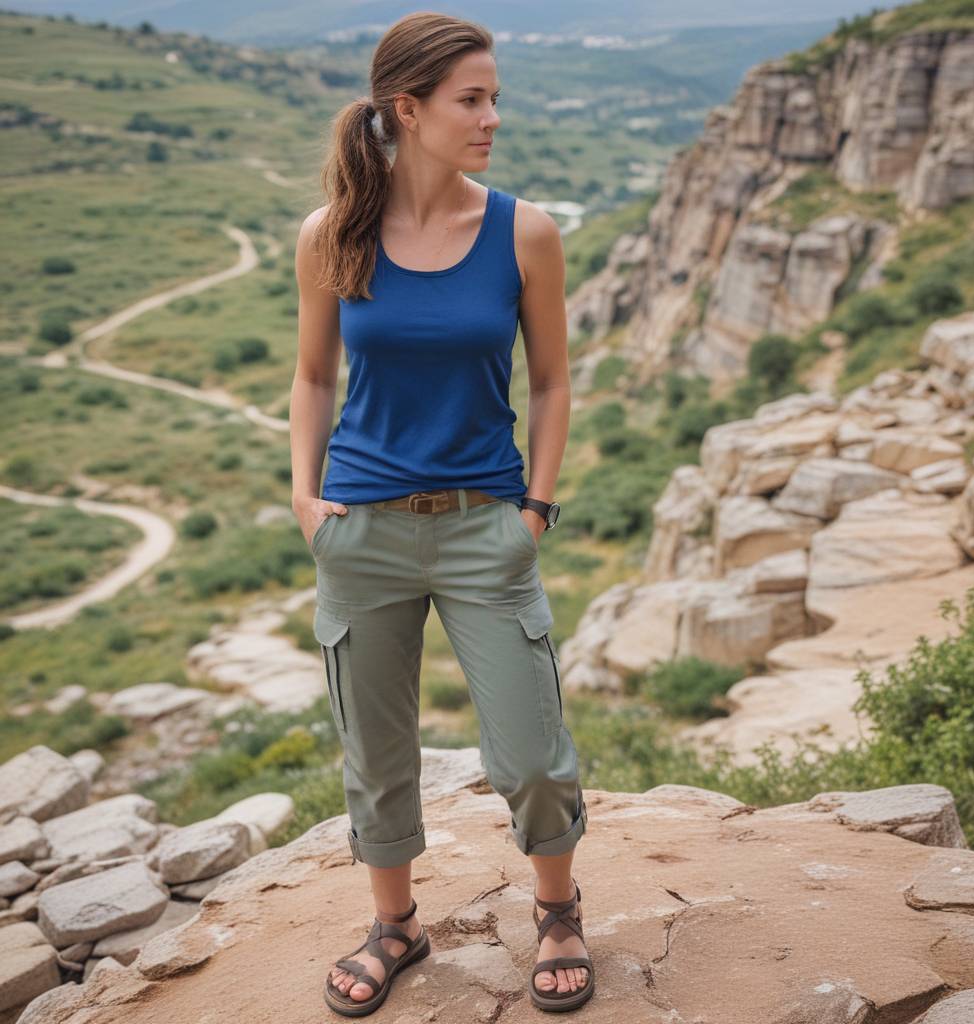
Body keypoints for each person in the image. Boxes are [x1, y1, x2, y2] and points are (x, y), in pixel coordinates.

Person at [289, 10, 594, 1018]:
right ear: (406, 110)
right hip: (361, 531)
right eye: (472, 99)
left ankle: (556, 909)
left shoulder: (524, 231)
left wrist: (535, 507)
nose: (492, 116)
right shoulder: (333, 233)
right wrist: (306, 494)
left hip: (484, 525)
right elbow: (312, 375)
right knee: (375, 755)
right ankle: (396, 926)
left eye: (494, 96)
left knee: (529, 751)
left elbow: (551, 384)